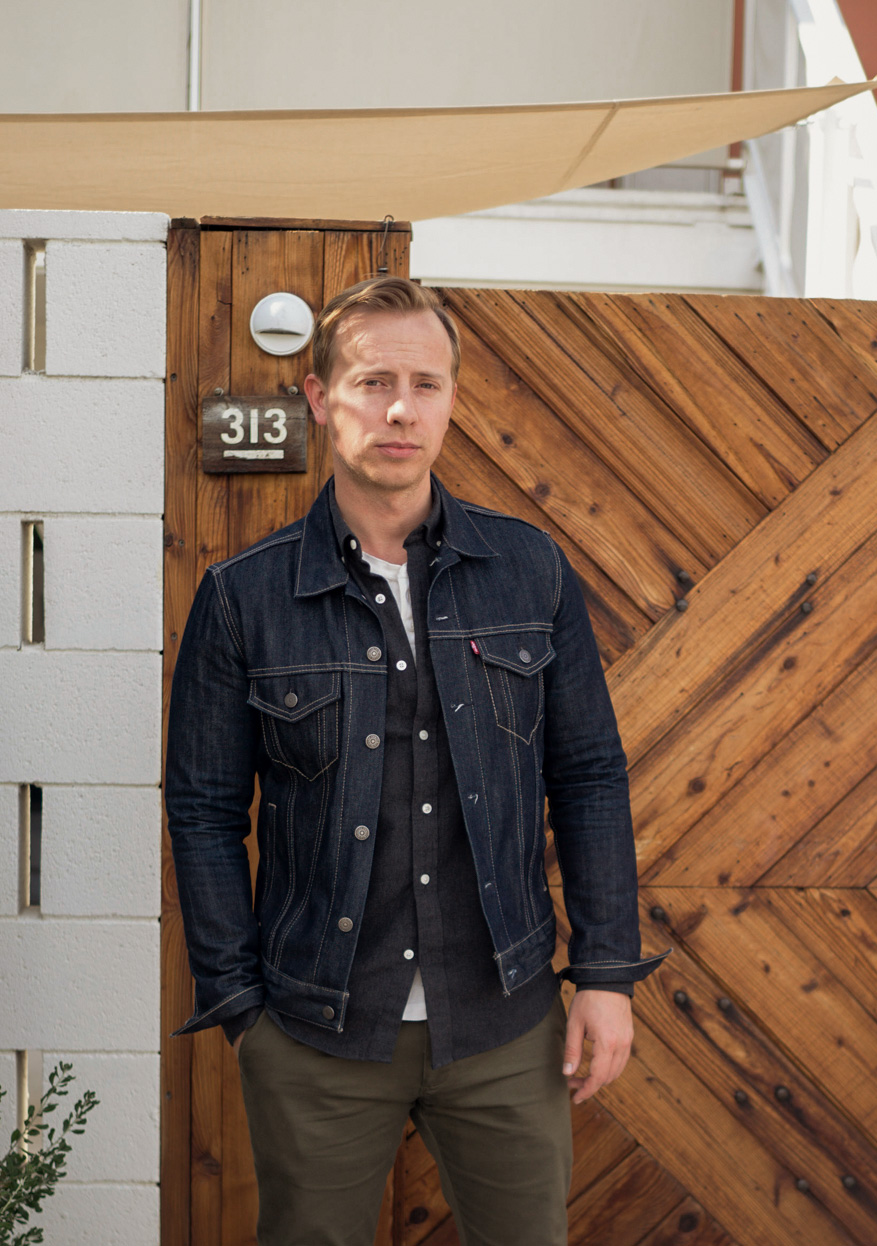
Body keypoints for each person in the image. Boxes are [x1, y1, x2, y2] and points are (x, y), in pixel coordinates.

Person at [165, 276, 669, 1246]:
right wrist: (241, 1009)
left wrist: (606, 975)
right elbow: (202, 809)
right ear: (319, 398)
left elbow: (591, 777)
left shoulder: (529, 569)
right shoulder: (243, 596)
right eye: (373, 381)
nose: (401, 408)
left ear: (450, 399)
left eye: (426, 384)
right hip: (315, 1028)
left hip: (504, 1020)